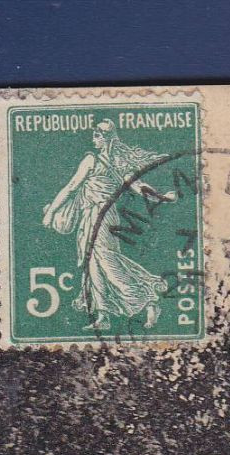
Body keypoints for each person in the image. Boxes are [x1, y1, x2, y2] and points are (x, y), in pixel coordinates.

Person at [39, 119, 175, 330]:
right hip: (93, 216)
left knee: (107, 262)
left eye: (97, 135)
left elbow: (71, 187)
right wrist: (161, 197)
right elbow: (139, 188)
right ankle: (103, 316)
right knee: (93, 264)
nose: (93, 139)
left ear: (105, 139)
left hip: (101, 217)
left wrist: (52, 213)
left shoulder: (93, 161)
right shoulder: (114, 164)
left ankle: (148, 298)